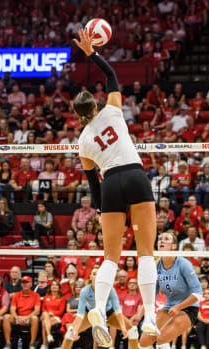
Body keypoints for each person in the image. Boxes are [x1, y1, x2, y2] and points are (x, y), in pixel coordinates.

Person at [72, 28, 158, 345]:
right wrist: (90, 52)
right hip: (134, 175)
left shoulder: (82, 142)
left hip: (110, 185)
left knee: (110, 258)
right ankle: (150, 318)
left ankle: (97, 308)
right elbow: (110, 74)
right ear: (94, 106)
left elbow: (92, 181)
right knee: (146, 252)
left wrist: (99, 209)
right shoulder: (111, 109)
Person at [139, 232, 202, 349]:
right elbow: (151, 295)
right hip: (169, 308)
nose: (161, 241)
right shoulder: (157, 265)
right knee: (144, 342)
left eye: (166, 239)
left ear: (174, 246)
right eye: (159, 239)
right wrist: (139, 315)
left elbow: (198, 294)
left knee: (161, 339)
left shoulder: (184, 264)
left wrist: (178, 307)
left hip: (188, 309)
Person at [60, 267, 137, 349]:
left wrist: (123, 327)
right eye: (94, 274)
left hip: (109, 315)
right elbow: (80, 314)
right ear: (90, 277)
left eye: (99, 274)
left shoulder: (110, 289)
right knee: (70, 332)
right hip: (90, 315)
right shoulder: (85, 291)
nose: (96, 276)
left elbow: (118, 310)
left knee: (132, 331)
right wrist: (75, 330)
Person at [2, 276, 41, 349]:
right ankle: (8, 343)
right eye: (23, 282)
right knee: (6, 317)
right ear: (21, 284)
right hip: (18, 317)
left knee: (35, 318)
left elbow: (37, 311)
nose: (25, 284)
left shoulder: (36, 295)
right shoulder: (16, 295)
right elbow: (12, 310)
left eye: (27, 282)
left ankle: (32, 344)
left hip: (29, 317)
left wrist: (26, 318)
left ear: (31, 284)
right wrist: (17, 318)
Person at [40, 280, 66, 349]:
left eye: (56, 285)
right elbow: (43, 309)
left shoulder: (62, 298)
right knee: (45, 314)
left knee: (44, 323)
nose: (54, 286)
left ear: (59, 287)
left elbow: (61, 311)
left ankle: (44, 344)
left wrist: (52, 313)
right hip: (46, 316)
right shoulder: (46, 297)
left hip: (57, 317)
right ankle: (49, 335)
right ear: (50, 287)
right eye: (53, 285)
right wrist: (48, 314)